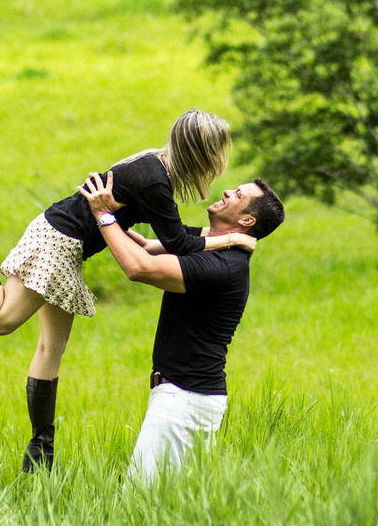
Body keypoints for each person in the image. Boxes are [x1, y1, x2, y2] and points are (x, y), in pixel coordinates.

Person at [0, 110, 256, 472]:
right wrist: (231, 239)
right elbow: (178, 242)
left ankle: (41, 452)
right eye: (216, 152)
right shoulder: (155, 179)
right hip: (59, 240)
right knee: (0, 319)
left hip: (66, 241)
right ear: (200, 151)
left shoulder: (155, 170)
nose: (218, 163)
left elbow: (170, 234)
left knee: (49, 348)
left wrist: (223, 239)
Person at [78, 169, 285, 481]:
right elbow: (146, 246)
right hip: (189, 397)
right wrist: (110, 215)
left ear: (247, 221)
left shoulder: (223, 266)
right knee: (165, 504)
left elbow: (138, 267)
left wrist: (103, 214)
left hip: (185, 401)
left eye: (238, 196)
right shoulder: (215, 246)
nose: (228, 192)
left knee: (140, 501)